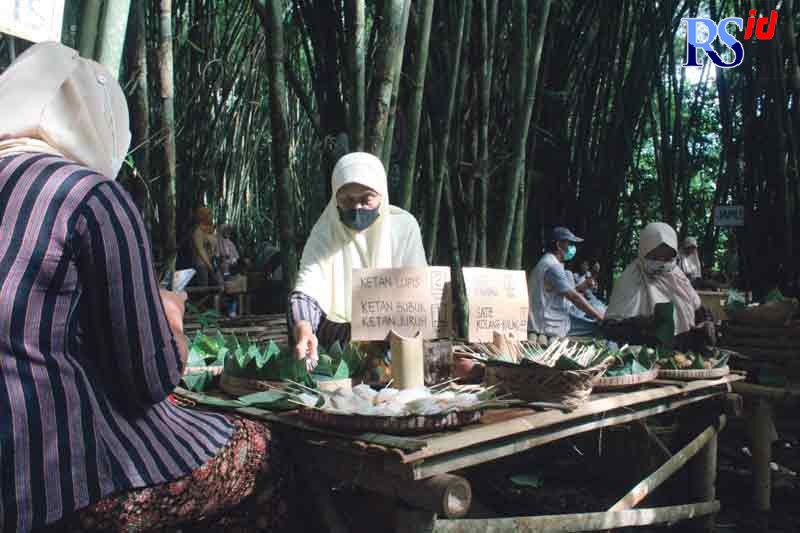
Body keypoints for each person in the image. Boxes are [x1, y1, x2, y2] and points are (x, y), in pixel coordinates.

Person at [0, 43, 290, 533]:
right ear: (97, 121)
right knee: (260, 451)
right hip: (49, 483)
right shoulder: (90, 197)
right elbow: (148, 380)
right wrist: (169, 315)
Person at [288, 152, 427, 369]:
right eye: (347, 200)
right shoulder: (325, 231)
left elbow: (417, 291)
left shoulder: (404, 228)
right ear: (335, 198)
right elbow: (307, 288)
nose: (357, 207)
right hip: (337, 339)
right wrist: (304, 327)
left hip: (394, 340)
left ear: (382, 195)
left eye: (366, 198)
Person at [606, 222, 715, 350]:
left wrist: (706, 325)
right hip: (642, 356)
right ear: (643, 251)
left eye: (667, 258)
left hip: (680, 359)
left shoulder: (679, 279)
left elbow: (698, 312)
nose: (662, 263)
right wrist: (640, 324)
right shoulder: (629, 280)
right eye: (655, 256)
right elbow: (611, 330)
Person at [528, 227, 605, 339]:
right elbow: (575, 297)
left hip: (547, 317)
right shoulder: (553, 266)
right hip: (550, 323)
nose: (572, 248)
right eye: (569, 244)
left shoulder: (546, 261)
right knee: (601, 328)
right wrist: (599, 317)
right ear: (559, 245)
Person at [192, 206, 221, 286]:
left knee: (218, 284)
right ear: (203, 216)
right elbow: (200, 250)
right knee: (204, 287)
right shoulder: (198, 232)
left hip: (212, 263)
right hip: (202, 264)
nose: (211, 216)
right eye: (209, 214)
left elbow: (216, 246)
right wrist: (209, 265)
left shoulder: (211, 231)